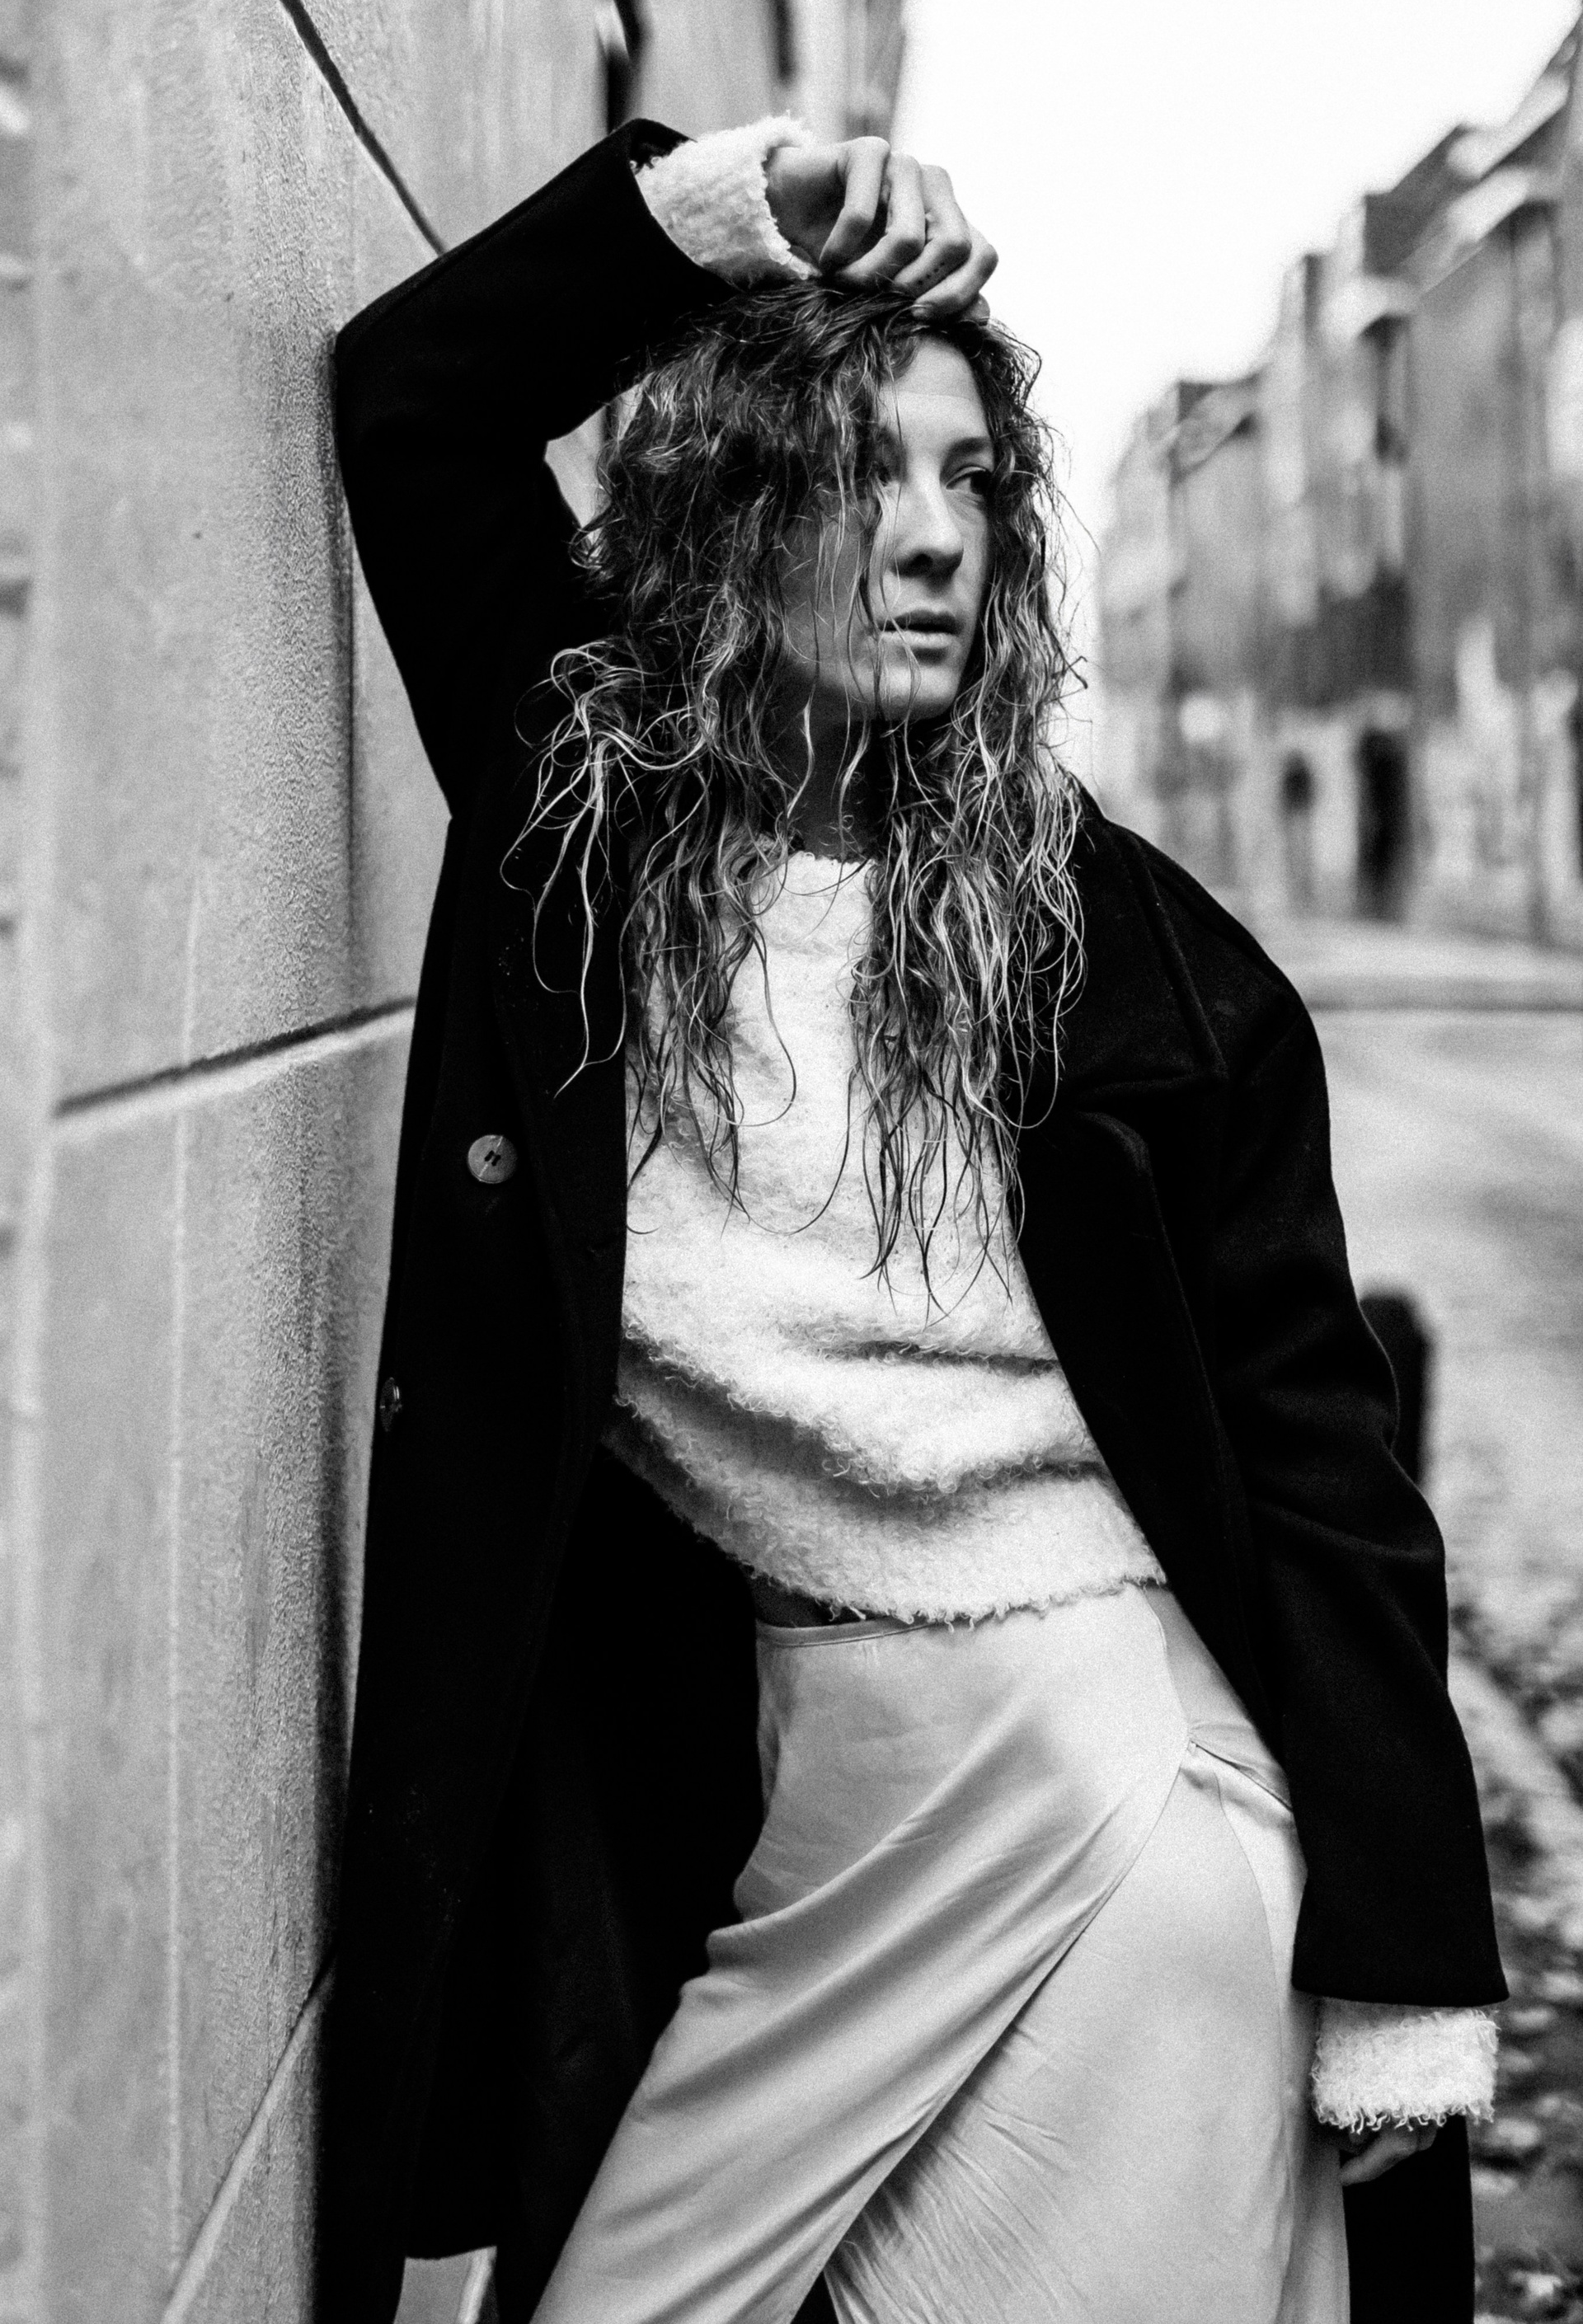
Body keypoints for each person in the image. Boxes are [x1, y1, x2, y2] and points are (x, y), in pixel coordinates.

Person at [322, 115, 1505, 2324]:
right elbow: (415, 398)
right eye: (865, 472)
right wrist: (726, 207)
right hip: (815, 1795)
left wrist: (1406, 1956)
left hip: (1111, 1777)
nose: (938, 536)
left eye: (975, 481)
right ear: (720, 511)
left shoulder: (1128, 967)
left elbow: (1323, 1465)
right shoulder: (582, 821)